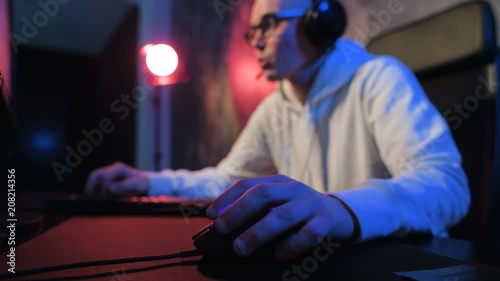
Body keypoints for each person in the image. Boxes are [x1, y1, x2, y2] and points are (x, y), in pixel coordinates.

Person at [86, 0, 470, 261]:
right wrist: (148, 183)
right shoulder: (275, 107)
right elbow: (227, 179)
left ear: (321, 21)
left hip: (399, 262)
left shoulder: (378, 78)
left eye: (267, 25)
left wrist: (342, 208)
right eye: (250, 32)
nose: (255, 42)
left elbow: (448, 187)